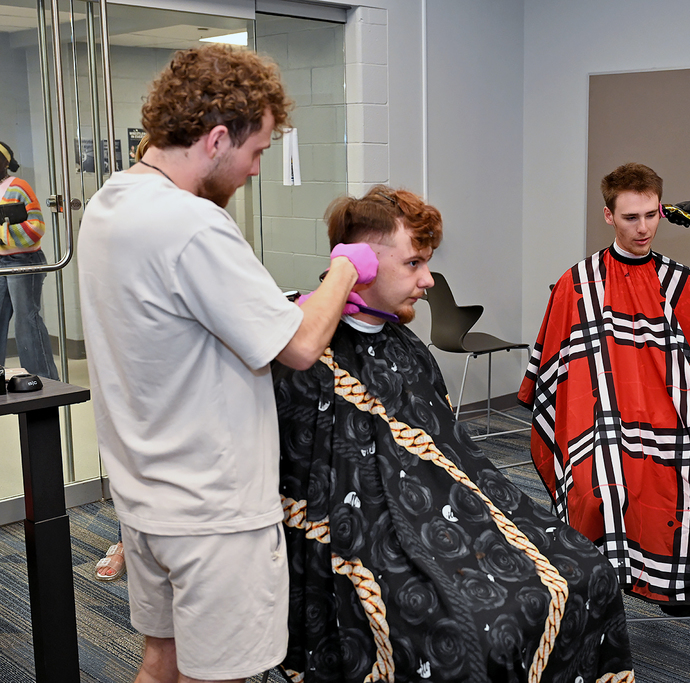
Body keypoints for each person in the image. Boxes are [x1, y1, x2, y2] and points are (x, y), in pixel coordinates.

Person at [78, 45, 376, 683]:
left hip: (144, 502)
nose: (256, 169)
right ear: (217, 139)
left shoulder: (109, 203)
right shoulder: (193, 225)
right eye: (257, 151)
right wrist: (345, 269)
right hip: (213, 514)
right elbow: (297, 346)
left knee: (163, 660)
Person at [275, 185, 635, 683]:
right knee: (476, 632)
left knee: (588, 570)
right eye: (414, 263)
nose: (428, 280)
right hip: (359, 535)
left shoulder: (406, 347)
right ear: (361, 265)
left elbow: (454, 454)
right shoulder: (299, 352)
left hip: (448, 510)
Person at [518, 162, 690, 619]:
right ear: (608, 216)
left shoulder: (682, 283)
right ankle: (600, 593)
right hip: (600, 421)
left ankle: (680, 581)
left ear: (662, 211)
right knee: (600, 489)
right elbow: (556, 377)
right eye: (629, 218)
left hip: (676, 414)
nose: (643, 228)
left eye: (651, 216)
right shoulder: (576, 284)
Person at [94, 133, 151, 583]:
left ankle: (136, 542)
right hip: (134, 364)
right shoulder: (117, 211)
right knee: (133, 462)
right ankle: (126, 541)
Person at [0, 140, 59, 380]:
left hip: (23, 260)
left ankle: (42, 378)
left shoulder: (18, 186)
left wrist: (2, 233)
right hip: (2, 262)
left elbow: (36, 228)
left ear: (5, 162)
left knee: (26, 320)